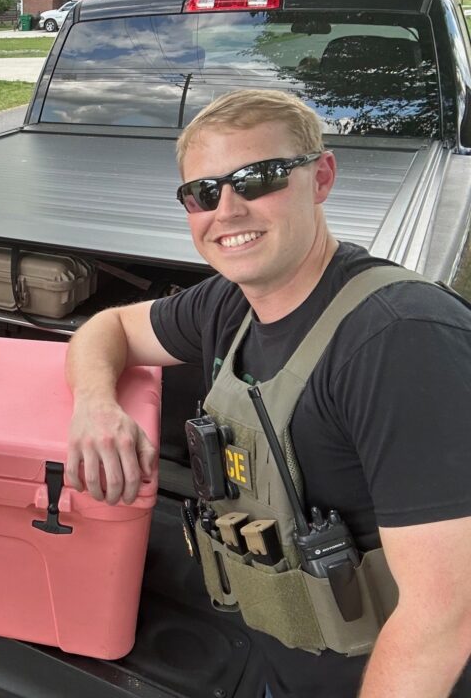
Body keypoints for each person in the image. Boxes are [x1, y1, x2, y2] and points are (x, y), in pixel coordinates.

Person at [65, 90, 471, 697]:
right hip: (276, 666)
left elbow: (445, 616)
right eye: (203, 193)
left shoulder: (401, 341)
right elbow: (109, 328)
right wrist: (96, 405)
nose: (227, 210)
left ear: (321, 177)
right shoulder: (228, 303)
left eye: (259, 179)